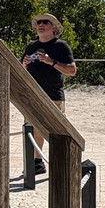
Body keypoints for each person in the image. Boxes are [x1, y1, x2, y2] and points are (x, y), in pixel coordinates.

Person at [20, 13, 76, 174]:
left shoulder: (61, 46)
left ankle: (65, 165)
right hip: (32, 96)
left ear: (54, 27)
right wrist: (24, 64)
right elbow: (21, 70)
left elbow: (72, 70)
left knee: (57, 131)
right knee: (32, 130)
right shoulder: (31, 46)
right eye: (39, 22)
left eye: (45, 22)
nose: (41, 24)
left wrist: (51, 61)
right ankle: (37, 163)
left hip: (53, 96)